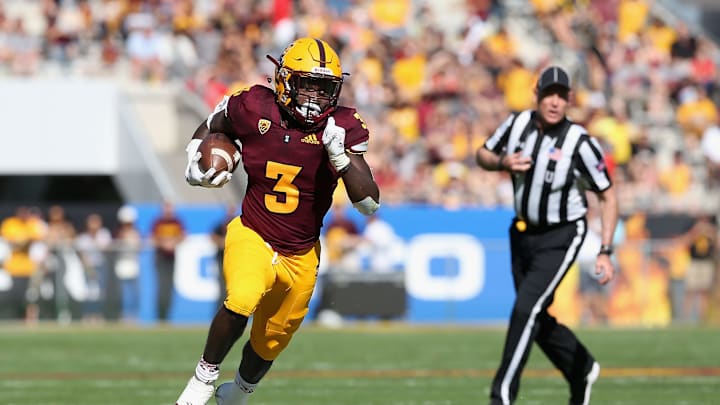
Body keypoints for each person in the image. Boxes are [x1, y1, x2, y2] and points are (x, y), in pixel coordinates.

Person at [175, 37, 380, 405]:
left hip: (302, 253)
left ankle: (237, 394)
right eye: (308, 85)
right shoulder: (252, 105)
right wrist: (194, 159)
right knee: (242, 297)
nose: (316, 97)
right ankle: (202, 380)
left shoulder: (342, 126)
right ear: (284, 80)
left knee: (270, 342)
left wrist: (341, 157)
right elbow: (211, 124)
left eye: (325, 89)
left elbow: (367, 204)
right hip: (254, 232)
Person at [475, 65, 618, 405]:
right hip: (522, 232)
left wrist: (606, 249)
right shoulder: (517, 123)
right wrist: (502, 163)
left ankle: (502, 396)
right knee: (534, 315)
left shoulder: (580, 142)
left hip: (562, 234)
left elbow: (607, 194)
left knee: (525, 309)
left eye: (561, 96)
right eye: (548, 94)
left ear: (569, 100)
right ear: (536, 95)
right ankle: (580, 366)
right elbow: (482, 153)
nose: (554, 102)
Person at [150, 201, 186, 322]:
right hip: (160, 258)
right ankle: (160, 316)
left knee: (169, 288)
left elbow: (183, 235)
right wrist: (164, 244)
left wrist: (173, 243)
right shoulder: (158, 222)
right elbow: (152, 238)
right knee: (161, 288)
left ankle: (167, 316)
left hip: (171, 258)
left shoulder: (176, 222)